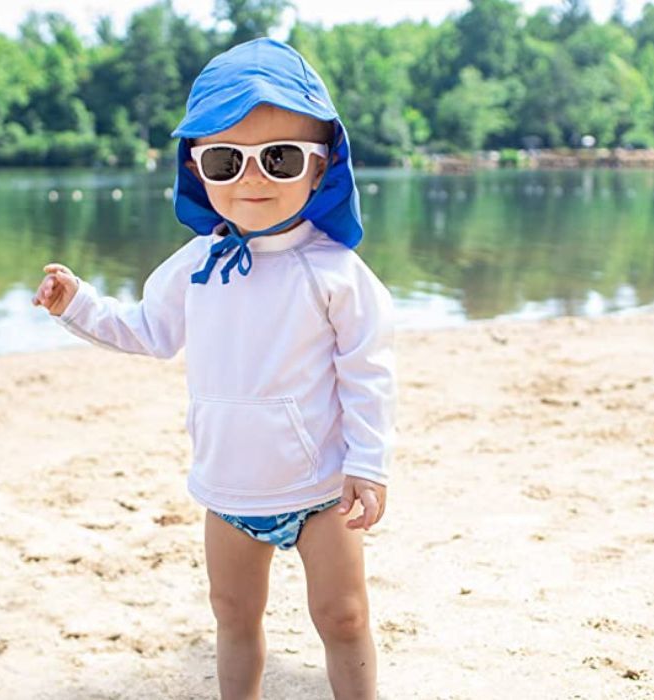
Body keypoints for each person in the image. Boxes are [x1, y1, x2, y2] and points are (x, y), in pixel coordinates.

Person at [32, 37, 396, 700]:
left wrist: (367, 464)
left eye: (280, 158)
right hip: (227, 489)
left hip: (318, 487)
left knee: (343, 618)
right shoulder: (194, 264)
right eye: (226, 160)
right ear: (196, 169)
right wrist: (78, 305)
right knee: (233, 619)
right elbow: (146, 331)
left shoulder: (335, 272)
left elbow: (367, 371)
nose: (251, 179)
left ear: (321, 169)